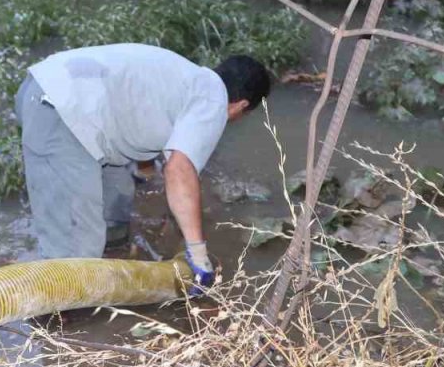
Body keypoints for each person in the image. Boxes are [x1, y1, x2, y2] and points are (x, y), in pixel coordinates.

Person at [14, 43, 271, 289]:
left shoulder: (189, 78)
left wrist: (145, 170)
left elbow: (142, 116)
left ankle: (112, 252)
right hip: (60, 112)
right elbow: (180, 169)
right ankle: (56, 305)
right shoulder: (214, 102)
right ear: (241, 105)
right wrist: (198, 253)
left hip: (51, 87)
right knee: (76, 251)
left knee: (117, 199)